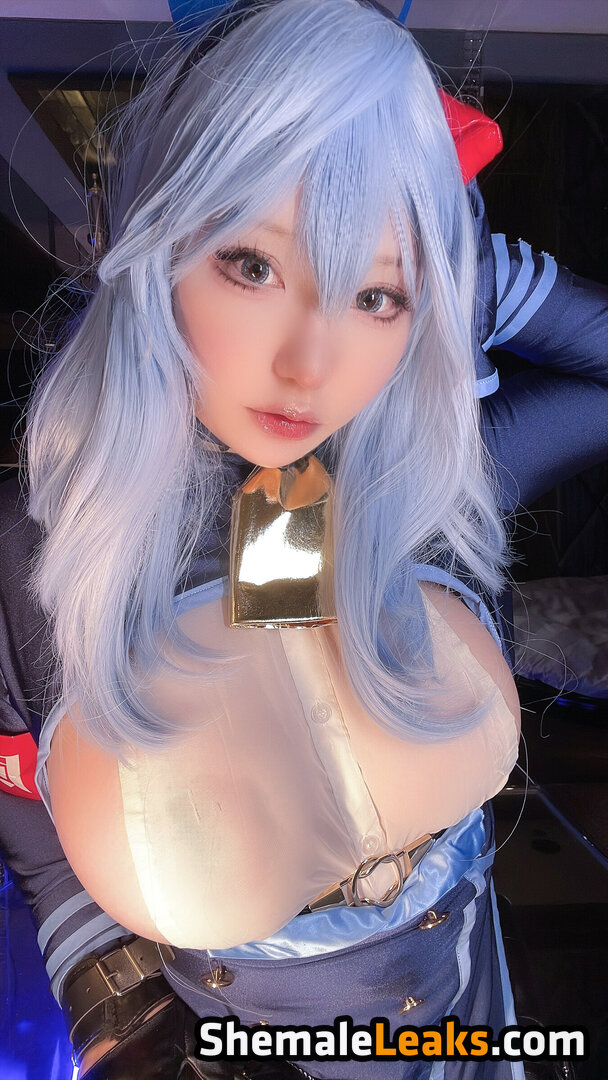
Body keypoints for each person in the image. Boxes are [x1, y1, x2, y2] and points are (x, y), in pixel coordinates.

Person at [1, 1, 607, 1077]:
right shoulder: (45, 550)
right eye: (253, 265)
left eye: (375, 294)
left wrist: (478, 276)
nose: (310, 365)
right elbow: (25, 811)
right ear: (159, 240)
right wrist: (115, 1018)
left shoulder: (429, 493)